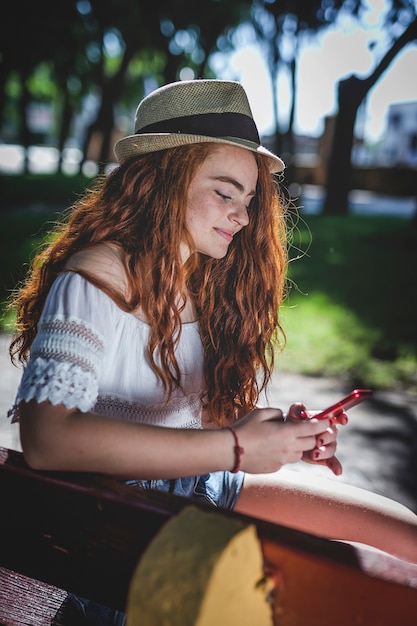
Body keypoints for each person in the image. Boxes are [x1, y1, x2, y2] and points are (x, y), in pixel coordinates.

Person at [7, 79, 417, 621]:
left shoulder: (198, 281)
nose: (244, 217)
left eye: (247, 200)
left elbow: (191, 421)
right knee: (318, 595)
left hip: (202, 486)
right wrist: (237, 449)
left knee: (401, 532)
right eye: (225, 193)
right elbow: (47, 439)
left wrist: (279, 437)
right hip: (117, 518)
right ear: (158, 180)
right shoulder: (94, 279)